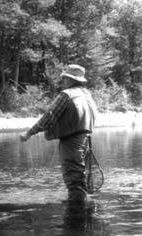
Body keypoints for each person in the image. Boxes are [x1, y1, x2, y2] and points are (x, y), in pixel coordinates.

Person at [20, 64, 97, 204]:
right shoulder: (87, 95)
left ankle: (77, 213)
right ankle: (82, 210)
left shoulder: (66, 95)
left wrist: (29, 132)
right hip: (85, 141)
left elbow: (50, 116)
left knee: (74, 177)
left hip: (72, 142)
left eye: (66, 78)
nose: (64, 81)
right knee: (80, 175)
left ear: (71, 80)